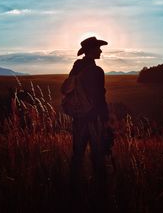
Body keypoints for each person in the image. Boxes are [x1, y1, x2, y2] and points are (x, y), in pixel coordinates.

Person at [65, 36, 110, 207]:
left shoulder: (76, 67)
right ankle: (100, 195)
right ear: (90, 51)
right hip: (93, 119)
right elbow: (100, 97)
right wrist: (105, 120)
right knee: (97, 156)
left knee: (77, 155)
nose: (100, 51)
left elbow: (69, 91)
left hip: (79, 118)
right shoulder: (96, 71)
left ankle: (73, 192)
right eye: (97, 48)